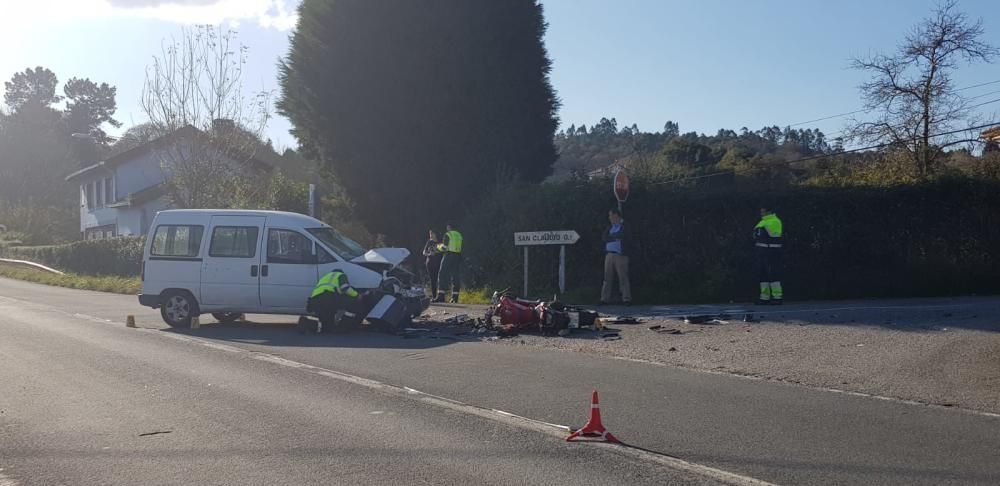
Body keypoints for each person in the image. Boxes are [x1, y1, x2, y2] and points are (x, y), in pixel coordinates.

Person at [301, 268, 365, 333]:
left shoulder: (325, 277)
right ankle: (345, 325)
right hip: (328, 298)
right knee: (353, 302)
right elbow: (345, 288)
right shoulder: (341, 275)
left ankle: (306, 323)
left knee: (327, 327)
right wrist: (357, 295)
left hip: (315, 302)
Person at [753, 205, 784, 305]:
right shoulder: (762, 221)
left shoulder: (774, 221)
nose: (761, 213)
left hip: (771, 252)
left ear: (769, 212)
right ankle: (764, 297)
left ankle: (777, 297)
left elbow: (774, 235)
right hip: (761, 252)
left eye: (763, 212)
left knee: (773, 274)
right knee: (763, 275)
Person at [601, 208, 632, 306]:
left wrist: (612, 236)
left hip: (620, 255)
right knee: (607, 278)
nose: (610, 218)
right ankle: (604, 299)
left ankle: (626, 299)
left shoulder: (624, 225)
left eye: (611, 215)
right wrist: (614, 236)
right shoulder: (610, 227)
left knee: (623, 277)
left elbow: (623, 235)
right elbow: (604, 237)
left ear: (616, 215)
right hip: (609, 254)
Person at [435, 223, 464, 303]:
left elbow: (444, 247)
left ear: (449, 227)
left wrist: (437, 247)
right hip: (457, 256)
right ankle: (455, 297)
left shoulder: (448, 234)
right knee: (455, 276)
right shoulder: (459, 235)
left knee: (442, 274)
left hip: (449, 255)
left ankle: (441, 296)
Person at [422, 229, 443, 298]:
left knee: (439, 279)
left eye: (432, 233)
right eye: (430, 233)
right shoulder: (429, 242)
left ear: (435, 234)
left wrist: (437, 252)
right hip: (430, 263)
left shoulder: (440, 242)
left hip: (439, 263)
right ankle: (434, 296)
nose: (430, 235)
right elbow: (424, 252)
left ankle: (440, 296)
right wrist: (429, 253)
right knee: (432, 279)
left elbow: (443, 251)